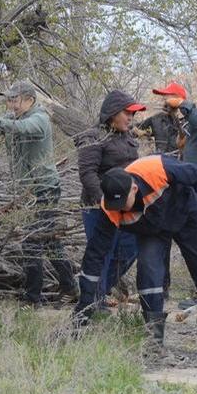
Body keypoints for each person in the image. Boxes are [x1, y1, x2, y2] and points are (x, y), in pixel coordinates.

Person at [72, 155, 197, 345]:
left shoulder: (156, 170)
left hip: (186, 215)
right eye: (116, 205)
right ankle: (154, 337)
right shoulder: (110, 208)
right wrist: (85, 303)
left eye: (123, 203)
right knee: (149, 272)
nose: (120, 209)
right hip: (152, 232)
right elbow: (95, 254)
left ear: (134, 189)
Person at [0, 80, 77, 306]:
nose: (11, 104)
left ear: (29, 100)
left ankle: (32, 298)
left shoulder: (40, 119)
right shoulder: (11, 118)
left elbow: (24, 128)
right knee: (48, 241)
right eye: (9, 100)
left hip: (44, 190)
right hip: (26, 192)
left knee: (32, 242)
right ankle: (69, 286)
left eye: (15, 100)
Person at [75, 90, 145, 303]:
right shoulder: (92, 137)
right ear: (113, 113)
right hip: (98, 208)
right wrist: (104, 202)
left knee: (131, 248)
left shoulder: (128, 136)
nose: (131, 118)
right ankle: (94, 302)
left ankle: (100, 291)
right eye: (127, 113)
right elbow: (87, 173)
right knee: (101, 254)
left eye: (133, 114)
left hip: (126, 207)